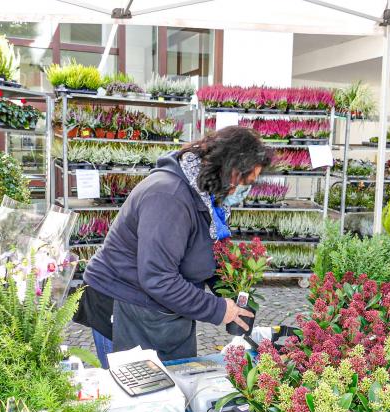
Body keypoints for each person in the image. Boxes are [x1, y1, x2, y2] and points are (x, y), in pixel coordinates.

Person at [73, 126, 272, 365]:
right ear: (227, 169)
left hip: (162, 311)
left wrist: (231, 290)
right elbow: (158, 277)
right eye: (244, 181)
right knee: (140, 393)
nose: (245, 190)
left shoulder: (208, 196)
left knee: (178, 383)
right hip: (125, 306)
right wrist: (218, 309)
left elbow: (205, 252)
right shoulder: (169, 197)